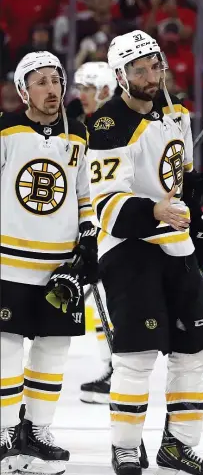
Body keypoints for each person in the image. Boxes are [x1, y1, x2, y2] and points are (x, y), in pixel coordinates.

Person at [86, 30, 203, 475]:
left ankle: (177, 451)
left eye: (154, 66)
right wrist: (152, 211)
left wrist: (197, 218)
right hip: (129, 246)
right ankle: (126, 446)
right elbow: (103, 201)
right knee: (137, 354)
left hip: (174, 241)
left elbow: (180, 176)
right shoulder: (107, 125)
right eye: (139, 69)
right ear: (120, 75)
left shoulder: (176, 110)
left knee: (197, 349)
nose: (150, 75)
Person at [0, 51, 98, 475]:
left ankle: (37, 432)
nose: (51, 89)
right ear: (23, 90)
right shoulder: (5, 130)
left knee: (53, 351)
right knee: (4, 350)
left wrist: (90, 233)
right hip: (8, 262)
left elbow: (83, 192)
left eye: (55, 80)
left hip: (59, 266)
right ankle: (4, 432)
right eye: (39, 81)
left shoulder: (77, 134)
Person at [67, 61, 118, 404]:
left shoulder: (116, 126)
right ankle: (113, 370)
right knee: (102, 306)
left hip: (114, 228)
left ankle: (119, 371)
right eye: (80, 87)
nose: (80, 94)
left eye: (88, 88)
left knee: (111, 304)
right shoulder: (80, 126)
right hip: (89, 227)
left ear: (105, 90)